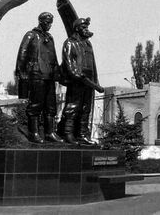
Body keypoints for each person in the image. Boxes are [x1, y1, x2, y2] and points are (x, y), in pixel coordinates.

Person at [15, 12, 63, 144]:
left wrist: (57, 72)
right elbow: (22, 53)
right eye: (48, 22)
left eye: (51, 22)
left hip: (50, 76)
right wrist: (21, 72)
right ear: (41, 21)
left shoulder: (50, 37)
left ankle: (49, 132)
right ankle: (33, 132)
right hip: (36, 74)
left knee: (50, 106)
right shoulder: (31, 35)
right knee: (36, 104)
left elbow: (53, 57)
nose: (50, 25)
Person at [60, 17, 104, 145]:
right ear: (77, 28)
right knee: (73, 107)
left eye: (87, 27)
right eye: (84, 27)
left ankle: (82, 135)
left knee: (86, 109)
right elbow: (68, 63)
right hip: (77, 81)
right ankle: (68, 133)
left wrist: (96, 82)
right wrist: (77, 75)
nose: (86, 30)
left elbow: (93, 65)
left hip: (89, 82)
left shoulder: (88, 44)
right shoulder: (70, 43)